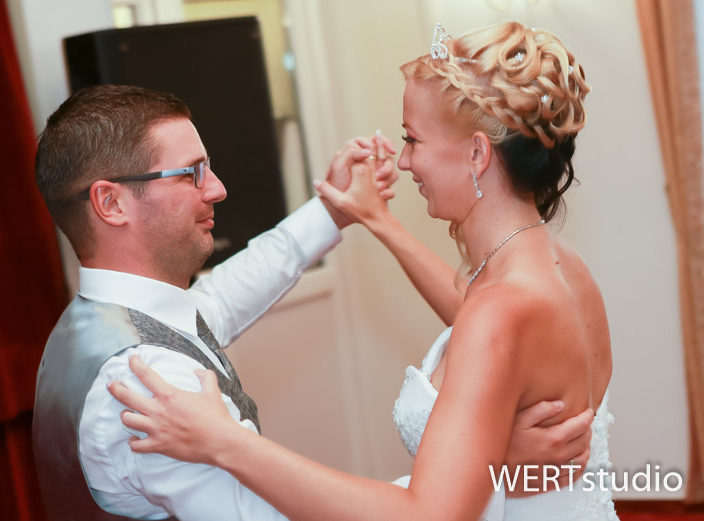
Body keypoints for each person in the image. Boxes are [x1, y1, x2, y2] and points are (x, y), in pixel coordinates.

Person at [106, 21, 617, 521]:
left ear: (477, 153)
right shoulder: (562, 268)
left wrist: (223, 442)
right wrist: (379, 221)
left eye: (412, 139)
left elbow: (426, 515)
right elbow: (480, 321)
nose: (405, 160)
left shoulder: (499, 312)